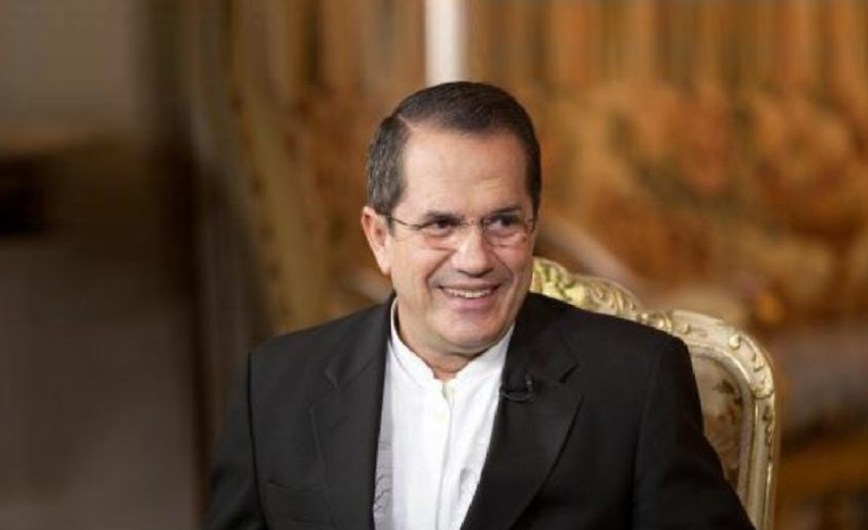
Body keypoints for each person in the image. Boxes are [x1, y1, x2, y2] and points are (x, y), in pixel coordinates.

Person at [206, 81, 754, 530]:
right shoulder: (274, 387)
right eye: (440, 224)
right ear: (379, 237)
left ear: (533, 225)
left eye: (502, 222)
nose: (474, 259)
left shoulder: (635, 382)